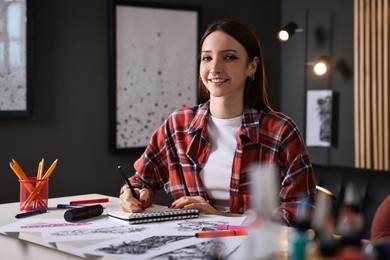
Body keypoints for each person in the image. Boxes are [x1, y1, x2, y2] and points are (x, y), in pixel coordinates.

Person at [120, 18, 316, 227]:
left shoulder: (280, 131)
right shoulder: (178, 125)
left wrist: (219, 217)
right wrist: (133, 193)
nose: (215, 68)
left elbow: (301, 212)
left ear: (252, 66)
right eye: (207, 58)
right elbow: (141, 180)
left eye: (229, 57)